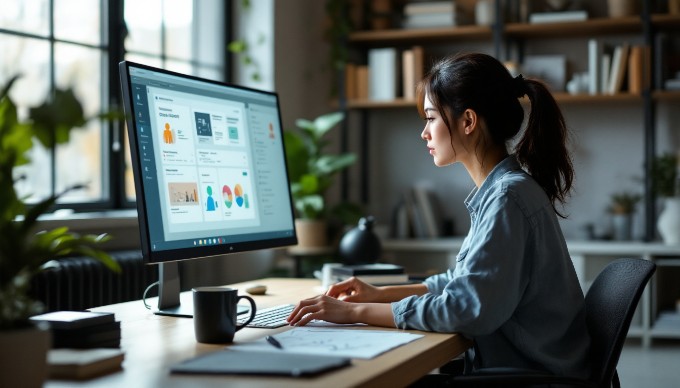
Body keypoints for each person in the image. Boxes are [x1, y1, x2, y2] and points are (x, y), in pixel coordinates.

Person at [287, 52, 591, 379]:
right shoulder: (504, 190)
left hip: (535, 376)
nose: (424, 133)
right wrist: (379, 294)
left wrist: (354, 312)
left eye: (430, 118)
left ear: (468, 121)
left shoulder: (506, 198)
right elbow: (461, 284)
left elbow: (465, 310)